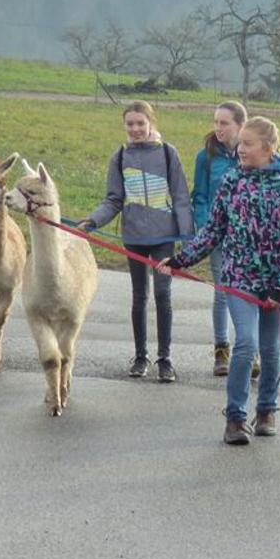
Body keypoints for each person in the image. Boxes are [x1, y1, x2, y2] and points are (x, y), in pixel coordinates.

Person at [162, 117, 280, 446]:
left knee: (270, 348)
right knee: (245, 342)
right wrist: (181, 260)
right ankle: (235, 418)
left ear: (268, 148)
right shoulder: (232, 181)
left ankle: (267, 410)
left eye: (248, 144)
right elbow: (213, 230)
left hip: (276, 284)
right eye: (240, 142)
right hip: (239, 277)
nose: (240, 149)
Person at [76, 100, 193, 383]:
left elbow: (181, 197)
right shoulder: (119, 157)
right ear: (124, 125)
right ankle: (141, 356)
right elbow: (113, 200)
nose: (136, 129)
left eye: (141, 123)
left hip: (164, 237)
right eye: (130, 124)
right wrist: (92, 222)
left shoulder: (168, 153)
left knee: (162, 294)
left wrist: (188, 239)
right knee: (139, 296)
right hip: (134, 237)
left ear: (151, 123)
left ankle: (165, 359)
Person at [192, 100, 246, 377]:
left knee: (247, 293)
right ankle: (221, 348)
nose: (218, 128)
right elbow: (200, 196)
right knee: (223, 291)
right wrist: (206, 229)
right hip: (218, 237)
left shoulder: (250, 154)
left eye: (224, 123)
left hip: (247, 238)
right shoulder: (206, 157)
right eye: (215, 122)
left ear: (240, 125)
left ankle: (248, 349)